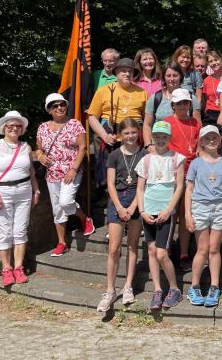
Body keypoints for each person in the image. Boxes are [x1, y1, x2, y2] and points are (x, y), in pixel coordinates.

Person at [0, 111, 40, 287]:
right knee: (5, 231)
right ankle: (6, 269)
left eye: (18, 126)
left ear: (22, 129)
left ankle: (19, 267)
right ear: (4, 128)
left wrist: (36, 190)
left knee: (21, 230)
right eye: (10, 126)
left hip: (23, 190)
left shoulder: (26, 147)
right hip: (3, 192)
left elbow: (31, 172)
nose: (14, 128)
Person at [135, 121, 185, 311]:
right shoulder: (146, 160)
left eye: (164, 136)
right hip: (148, 210)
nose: (161, 140)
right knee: (151, 251)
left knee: (162, 252)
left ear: (170, 138)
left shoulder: (177, 159)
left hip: (166, 212)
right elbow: (140, 189)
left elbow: (179, 187)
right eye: (157, 136)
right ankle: (157, 290)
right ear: (152, 138)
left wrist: (169, 209)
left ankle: (174, 289)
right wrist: (142, 211)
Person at [35, 93, 93, 259]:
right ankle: (61, 243)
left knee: (66, 201)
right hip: (52, 173)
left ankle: (84, 218)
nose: (59, 107)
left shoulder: (74, 124)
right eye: (55, 105)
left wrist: (74, 169)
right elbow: (38, 148)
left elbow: (82, 148)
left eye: (62, 104)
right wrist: (39, 156)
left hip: (71, 171)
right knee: (57, 209)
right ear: (49, 110)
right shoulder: (43, 128)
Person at [97, 119, 146, 312]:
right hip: (117, 200)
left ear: (138, 133)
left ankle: (128, 286)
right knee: (114, 247)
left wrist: (134, 206)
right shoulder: (115, 155)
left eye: (133, 132)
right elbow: (110, 184)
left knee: (133, 245)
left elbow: (145, 183)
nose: (130, 136)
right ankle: (110, 289)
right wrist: (118, 207)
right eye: (126, 133)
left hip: (136, 198)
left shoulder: (143, 154)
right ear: (120, 135)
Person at [185, 125, 222, 307]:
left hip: (219, 207)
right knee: (202, 249)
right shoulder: (196, 163)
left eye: (214, 138)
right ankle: (194, 286)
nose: (211, 141)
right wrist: (187, 214)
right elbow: (189, 189)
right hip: (200, 207)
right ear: (202, 142)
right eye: (207, 138)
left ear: (219, 140)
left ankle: (214, 286)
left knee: (214, 248)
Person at [87, 57, 148, 186]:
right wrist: (104, 135)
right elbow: (92, 117)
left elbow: (147, 120)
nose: (127, 73)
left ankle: (133, 198)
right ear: (116, 73)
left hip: (134, 137)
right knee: (107, 171)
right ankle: (107, 199)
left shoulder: (142, 92)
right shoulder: (103, 90)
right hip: (109, 135)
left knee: (133, 171)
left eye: (130, 71)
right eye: (123, 71)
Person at [163, 88, 201, 268]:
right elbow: (161, 146)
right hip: (172, 174)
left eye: (185, 102)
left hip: (191, 174)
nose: (182, 106)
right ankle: (167, 250)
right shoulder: (167, 122)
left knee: (186, 214)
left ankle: (184, 253)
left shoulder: (196, 122)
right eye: (179, 103)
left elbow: (199, 145)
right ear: (172, 105)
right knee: (171, 213)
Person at [143, 63, 201, 154]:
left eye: (175, 75)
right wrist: (148, 145)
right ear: (164, 77)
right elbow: (147, 124)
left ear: (180, 77)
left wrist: (199, 147)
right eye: (168, 76)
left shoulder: (190, 98)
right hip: (160, 148)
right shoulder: (155, 98)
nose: (172, 79)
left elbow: (198, 125)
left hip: (186, 149)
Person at [201, 51, 222, 126]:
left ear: (221, 60)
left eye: (216, 60)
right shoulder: (206, 80)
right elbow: (204, 99)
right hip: (211, 114)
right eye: (210, 61)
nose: (214, 63)